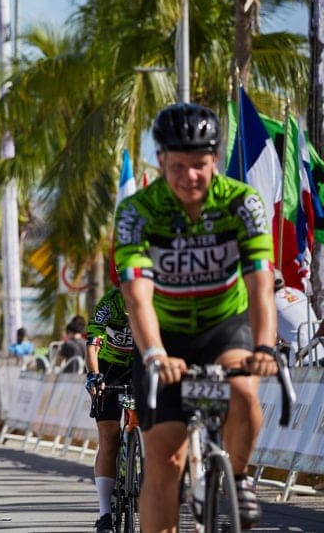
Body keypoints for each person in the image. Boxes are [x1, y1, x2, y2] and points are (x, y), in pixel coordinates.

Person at [114, 103, 278, 532]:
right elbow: (137, 295)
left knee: (243, 392)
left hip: (225, 325)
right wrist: (153, 353)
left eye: (201, 166)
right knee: (166, 461)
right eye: (179, 166)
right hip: (164, 336)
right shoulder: (137, 212)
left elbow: (261, 283)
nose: (190, 177)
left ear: (216, 161)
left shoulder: (243, 203)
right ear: (161, 161)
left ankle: (239, 477)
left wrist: (264, 346)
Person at [83, 287, 135, 533]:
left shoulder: (155, 297)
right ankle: (105, 513)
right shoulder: (108, 304)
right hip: (108, 368)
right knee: (109, 436)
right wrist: (94, 376)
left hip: (140, 365)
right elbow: (92, 343)